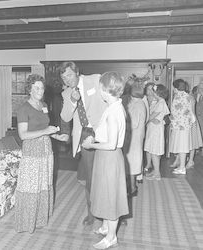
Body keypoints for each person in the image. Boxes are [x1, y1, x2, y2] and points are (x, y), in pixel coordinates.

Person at [14, 74, 69, 233]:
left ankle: (39, 218)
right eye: (36, 87)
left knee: (43, 184)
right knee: (31, 186)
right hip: (32, 150)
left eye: (42, 87)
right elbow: (23, 135)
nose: (40, 90)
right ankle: (26, 222)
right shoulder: (24, 108)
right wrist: (46, 130)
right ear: (29, 89)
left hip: (46, 149)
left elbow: (45, 129)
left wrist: (57, 136)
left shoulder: (44, 105)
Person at [82, 71, 129, 249]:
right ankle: (105, 227)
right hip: (106, 158)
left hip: (109, 158)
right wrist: (95, 140)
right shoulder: (115, 106)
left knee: (110, 198)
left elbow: (111, 144)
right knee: (103, 193)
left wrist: (91, 145)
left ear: (104, 89)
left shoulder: (112, 112)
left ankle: (111, 237)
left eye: (100, 87)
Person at [59, 61, 107, 226]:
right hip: (85, 136)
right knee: (90, 178)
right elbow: (65, 117)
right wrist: (72, 102)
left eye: (69, 75)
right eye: (64, 77)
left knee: (109, 175)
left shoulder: (95, 80)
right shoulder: (66, 94)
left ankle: (114, 213)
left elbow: (109, 101)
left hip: (104, 133)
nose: (68, 79)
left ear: (76, 72)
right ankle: (92, 213)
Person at [123, 81, 147, 197]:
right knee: (133, 159)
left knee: (131, 160)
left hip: (133, 136)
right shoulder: (141, 102)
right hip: (137, 136)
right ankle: (131, 185)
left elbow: (134, 123)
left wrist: (123, 124)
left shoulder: (135, 105)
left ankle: (132, 188)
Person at [144, 84, 170, 180]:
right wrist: (151, 120)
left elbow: (149, 117)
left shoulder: (161, 103)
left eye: (153, 91)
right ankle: (155, 171)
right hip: (153, 129)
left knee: (155, 152)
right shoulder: (159, 102)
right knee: (152, 150)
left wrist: (150, 119)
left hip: (156, 129)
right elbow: (151, 118)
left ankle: (157, 174)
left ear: (157, 93)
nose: (152, 93)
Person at [169, 79, 194, 175]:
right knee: (182, 147)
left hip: (179, 126)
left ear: (176, 87)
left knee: (181, 147)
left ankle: (182, 168)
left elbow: (174, 112)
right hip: (185, 125)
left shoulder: (178, 97)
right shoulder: (187, 96)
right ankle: (181, 166)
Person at [143, 82, 157, 174]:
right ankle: (148, 164)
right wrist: (150, 120)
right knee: (147, 145)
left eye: (152, 89)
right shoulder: (143, 99)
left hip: (155, 127)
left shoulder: (158, 100)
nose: (150, 91)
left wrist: (150, 120)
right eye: (148, 89)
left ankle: (155, 166)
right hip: (144, 125)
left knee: (154, 146)